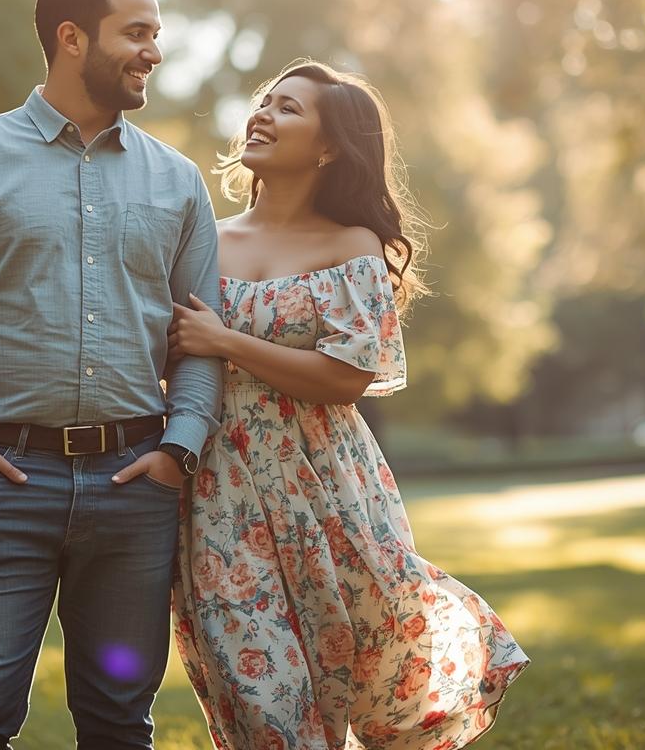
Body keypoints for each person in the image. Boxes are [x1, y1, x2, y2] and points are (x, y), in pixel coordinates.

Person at [0, 0, 223, 750]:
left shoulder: (178, 182)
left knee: (118, 725)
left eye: (157, 32)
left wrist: (180, 448)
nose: (154, 50)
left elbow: (201, 336)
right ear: (72, 37)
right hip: (1, 482)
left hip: (134, 482)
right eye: (135, 31)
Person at [166, 60, 529, 749]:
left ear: (329, 147)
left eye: (289, 109)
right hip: (220, 490)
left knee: (351, 665)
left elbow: (343, 378)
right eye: (265, 103)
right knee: (259, 690)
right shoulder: (200, 239)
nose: (263, 115)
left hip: (328, 490)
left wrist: (224, 339)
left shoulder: (352, 247)